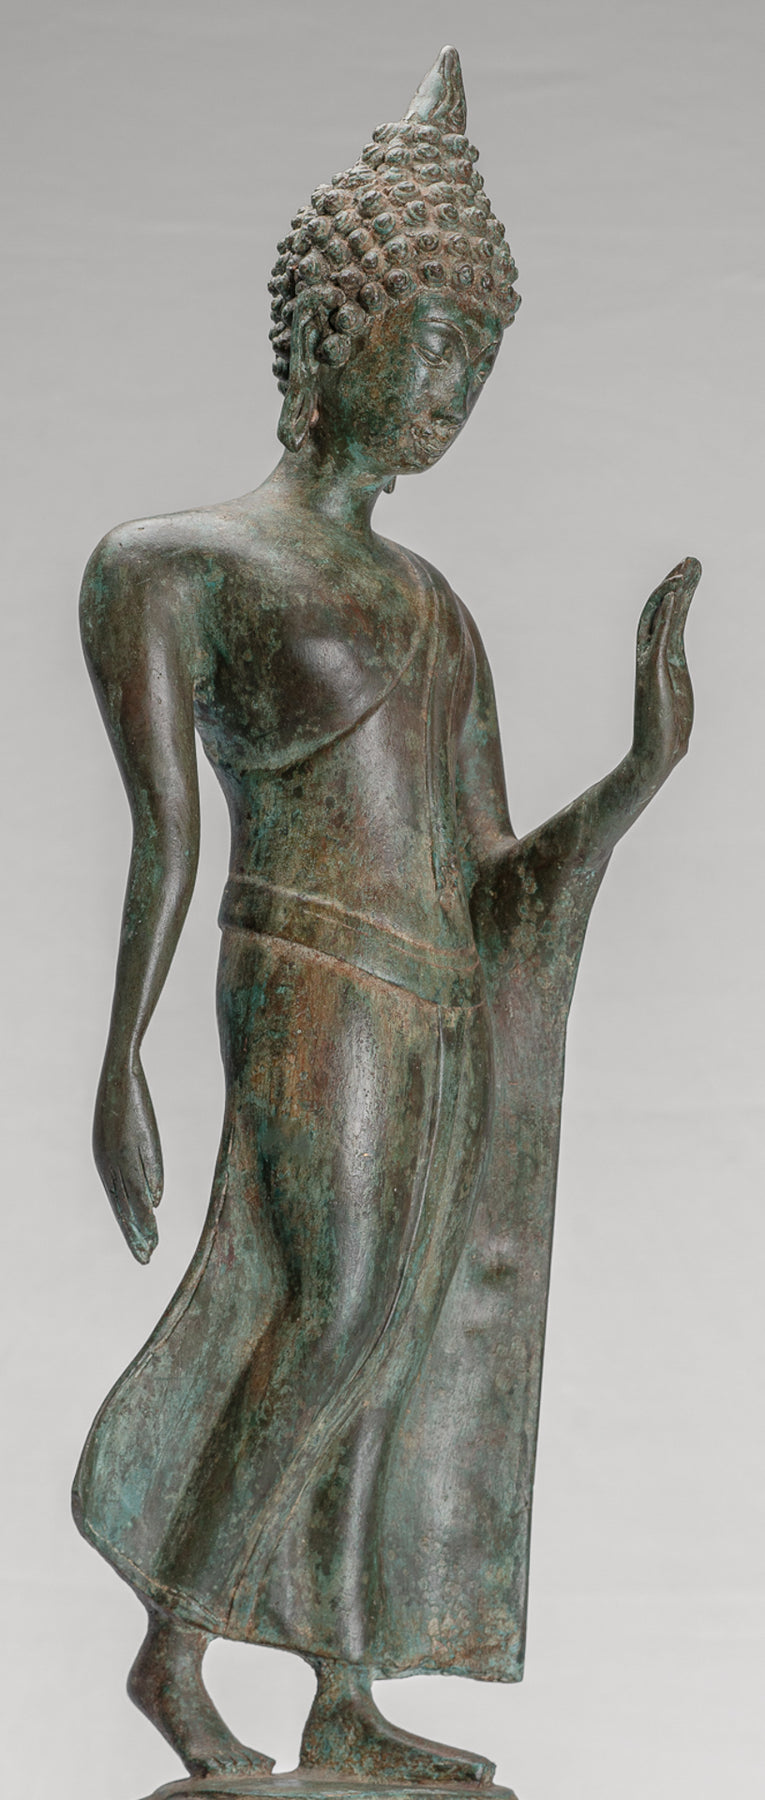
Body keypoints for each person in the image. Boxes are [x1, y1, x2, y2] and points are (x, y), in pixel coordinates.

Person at [73, 47, 698, 1791]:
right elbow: (162, 836)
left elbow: (494, 884)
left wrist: (638, 770)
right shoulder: (175, 565)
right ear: (334, 330)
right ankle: (173, 1653)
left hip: (432, 995)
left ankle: (339, 1693)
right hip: (309, 970)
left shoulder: (435, 607)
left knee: (401, 1341)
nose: (448, 394)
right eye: (429, 345)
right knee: (336, 1314)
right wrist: (118, 1058)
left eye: (475, 366)